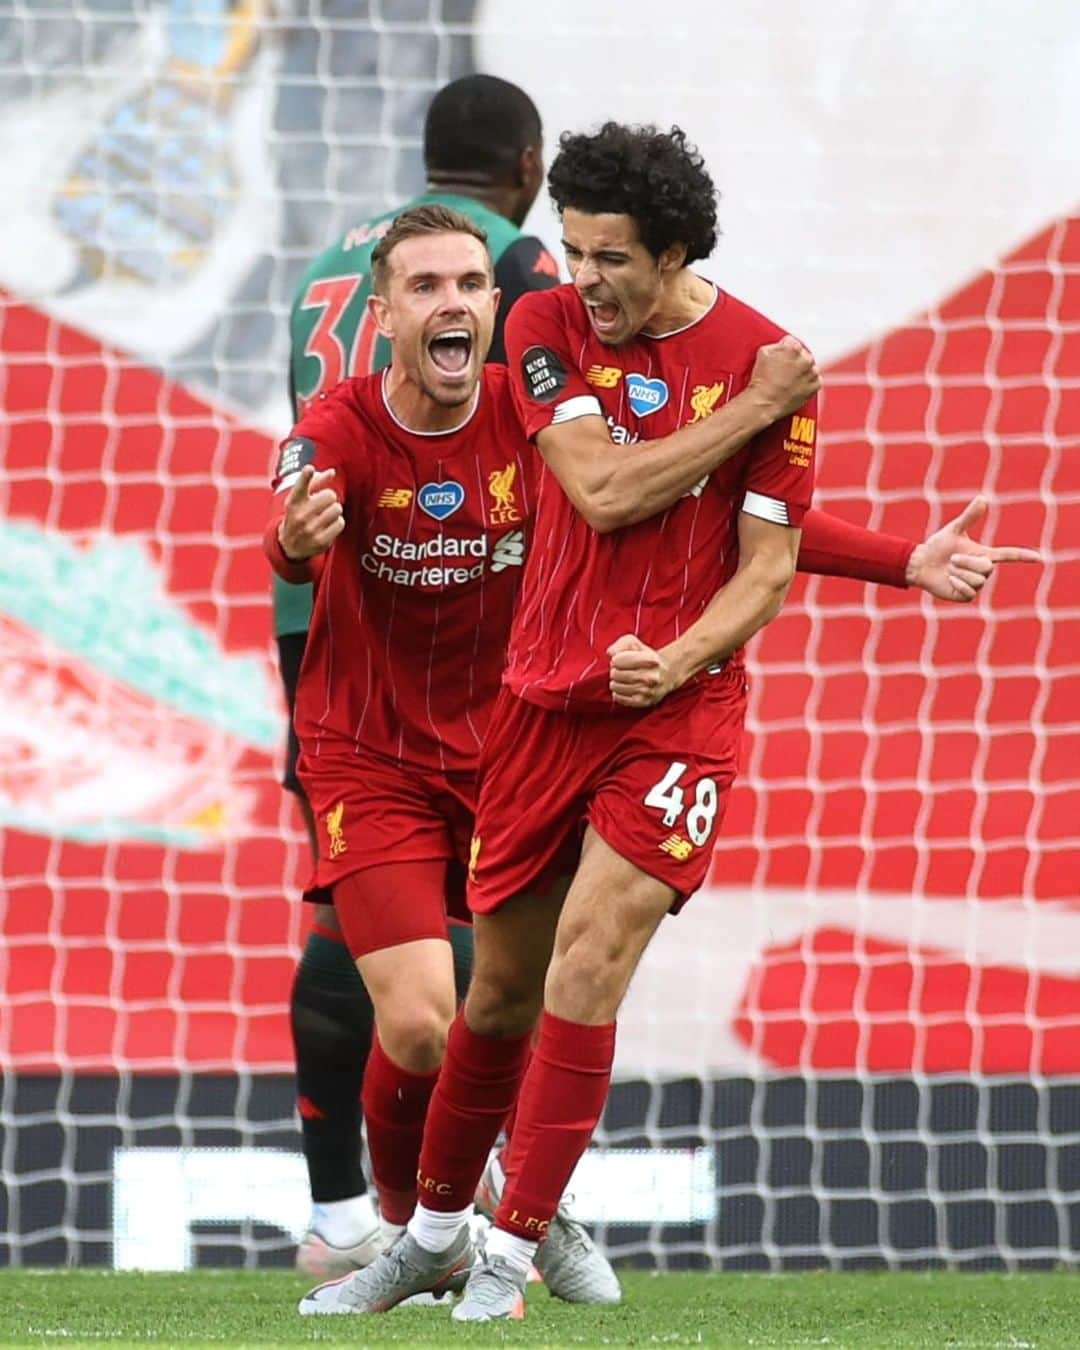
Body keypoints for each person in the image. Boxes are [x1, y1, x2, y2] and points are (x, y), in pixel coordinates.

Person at [302, 123, 1041, 1323]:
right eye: (572, 249)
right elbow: (602, 491)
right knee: (497, 999)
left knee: (591, 964)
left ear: (675, 251)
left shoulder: (771, 361)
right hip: (540, 700)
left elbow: (767, 561)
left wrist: (702, 651)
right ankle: (430, 1234)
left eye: (608, 258)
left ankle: (509, 1251)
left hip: (681, 709)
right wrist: (748, 410)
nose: (578, 278)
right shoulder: (551, 333)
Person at [276, 74, 560, 1282]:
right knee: (429, 952)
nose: (453, 298)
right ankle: (435, 1210)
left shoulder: (329, 263)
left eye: (464, 290)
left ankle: (352, 1213)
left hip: (322, 608)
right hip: (404, 610)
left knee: (360, 925)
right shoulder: (526, 262)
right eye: (432, 291)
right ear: (528, 164)